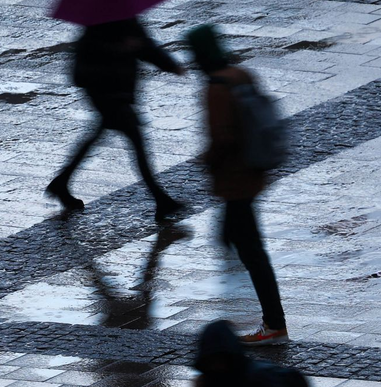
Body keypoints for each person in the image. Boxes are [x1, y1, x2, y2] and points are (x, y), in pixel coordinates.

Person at [187, 24, 288, 346]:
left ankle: (274, 325)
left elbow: (224, 138)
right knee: (239, 240)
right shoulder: (241, 74)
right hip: (253, 172)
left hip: (235, 180)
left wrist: (206, 161)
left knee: (252, 253)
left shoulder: (215, 87)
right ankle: (271, 322)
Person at [47, 17, 186, 219]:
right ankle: (161, 200)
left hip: (115, 93)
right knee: (137, 143)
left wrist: (169, 65)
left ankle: (61, 183)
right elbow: (86, 65)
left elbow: (145, 46)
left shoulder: (121, 19)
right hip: (108, 94)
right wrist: (122, 49)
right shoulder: (99, 27)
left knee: (98, 136)